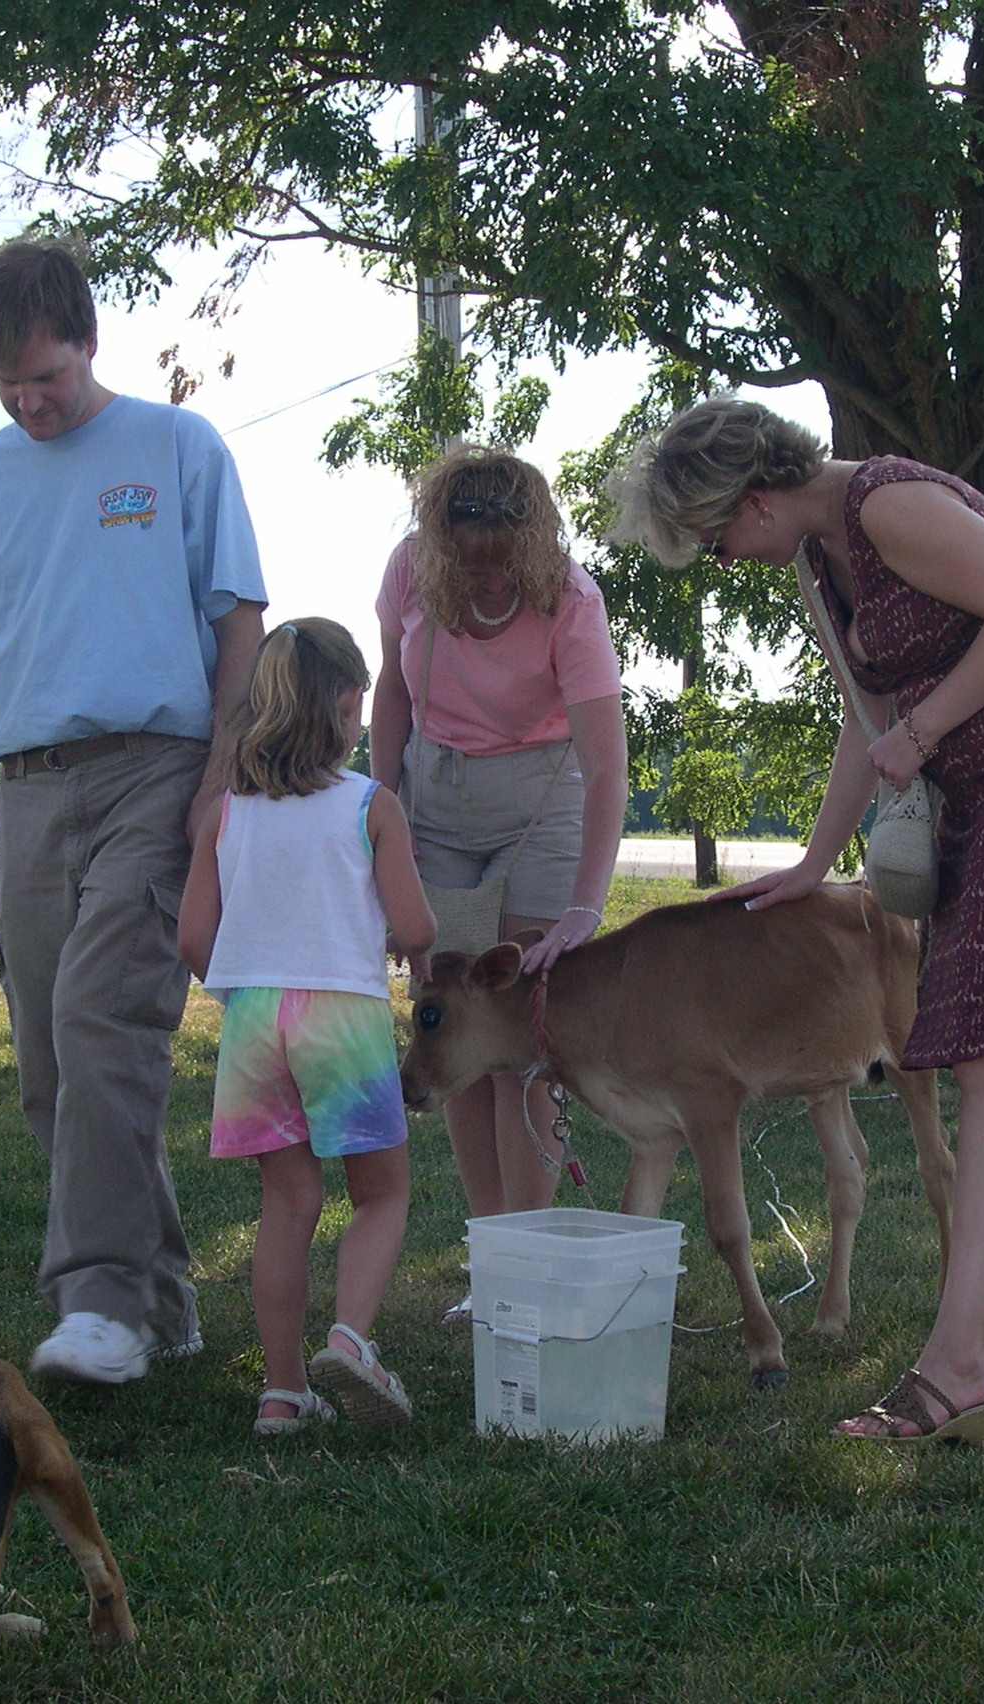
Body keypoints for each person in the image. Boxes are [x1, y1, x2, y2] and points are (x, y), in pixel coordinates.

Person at [609, 397, 984, 1444]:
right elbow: (871, 724)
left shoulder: (887, 502)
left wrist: (929, 727)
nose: (722, 561)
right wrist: (815, 862)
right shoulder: (819, 554)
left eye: (716, 538)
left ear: (754, 498)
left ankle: (956, 1370)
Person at [0, 235, 267, 1385]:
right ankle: (156, 1291)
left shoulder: (175, 447)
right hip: (29, 791)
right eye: (8, 382)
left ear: (88, 342)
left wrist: (217, 785)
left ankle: (95, 1302)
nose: (28, 400)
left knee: (106, 1019)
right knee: (51, 1062)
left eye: (46, 377)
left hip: (158, 770)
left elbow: (240, 621)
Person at [368, 448, 628, 1304]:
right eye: (466, 562)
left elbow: (603, 771)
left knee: (522, 1029)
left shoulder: (573, 602)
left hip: (542, 796)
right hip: (436, 793)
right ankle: (493, 1255)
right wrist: (385, 819)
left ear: (530, 543)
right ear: (439, 544)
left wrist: (584, 908)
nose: (482, 584)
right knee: (452, 1019)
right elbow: (391, 699)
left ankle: (530, 1245)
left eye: (499, 564)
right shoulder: (408, 571)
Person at [178, 618, 437, 1435]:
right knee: (383, 1191)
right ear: (347, 702)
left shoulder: (225, 814)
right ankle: (350, 1341)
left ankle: (283, 1394)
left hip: (256, 1021)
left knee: (287, 1204)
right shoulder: (371, 806)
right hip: (343, 1020)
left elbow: (193, 938)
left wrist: (244, 987)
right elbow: (417, 926)